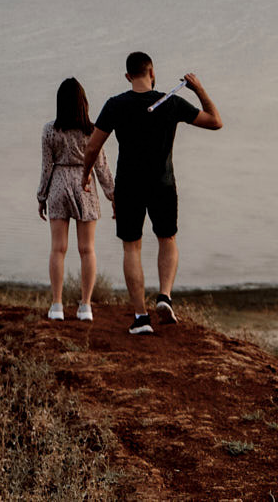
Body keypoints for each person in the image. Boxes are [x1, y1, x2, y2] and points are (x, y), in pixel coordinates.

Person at [79, 52, 223, 336]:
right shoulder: (171, 103)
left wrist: (84, 176)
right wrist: (199, 89)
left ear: (128, 76)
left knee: (132, 247)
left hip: (129, 185)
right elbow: (215, 121)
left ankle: (141, 317)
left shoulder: (115, 105)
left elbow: (93, 147)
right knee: (167, 239)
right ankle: (165, 296)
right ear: (152, 72)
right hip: (163, 184)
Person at [38, 77, 116, 320]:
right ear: (84, 102)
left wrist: (41, 195)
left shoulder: (50, 130)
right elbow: (101, 166)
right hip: (86, 186)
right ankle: (85, 306)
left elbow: (47, 167)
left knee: (58, 249)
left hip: (59, 185)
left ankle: (57, 305)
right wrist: (113, 195)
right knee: (87, 249)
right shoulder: (92, 130)